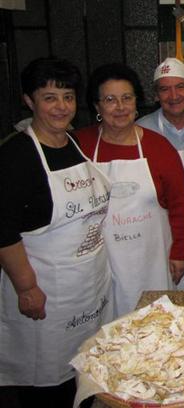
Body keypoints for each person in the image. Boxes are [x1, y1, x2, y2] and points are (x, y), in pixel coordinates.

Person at [0, 57, 111, 407]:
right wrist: (27, 286)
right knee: (50, 385)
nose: (61, 107)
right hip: (46, 293)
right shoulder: (17, 156)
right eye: (49, 98)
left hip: (87, 289)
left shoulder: (74, 144)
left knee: (85, 373)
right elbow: (3, 230)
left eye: (67, 96)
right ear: (29, 101)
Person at [76, 63, 184, 317]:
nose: (120, 107)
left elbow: (179, 206)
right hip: (100, 258)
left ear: (136, 102)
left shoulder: (159, 148)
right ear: (97, 106)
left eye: (127, 98)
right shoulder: (79, 146)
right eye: (110, 99)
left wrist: (180, 252)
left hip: (150, 258)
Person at [137, 58, 184, 290]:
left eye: (180, 87)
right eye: (165, 89)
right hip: (160, 231)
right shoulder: (141, 130)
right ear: (156, 95)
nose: (173, 95)